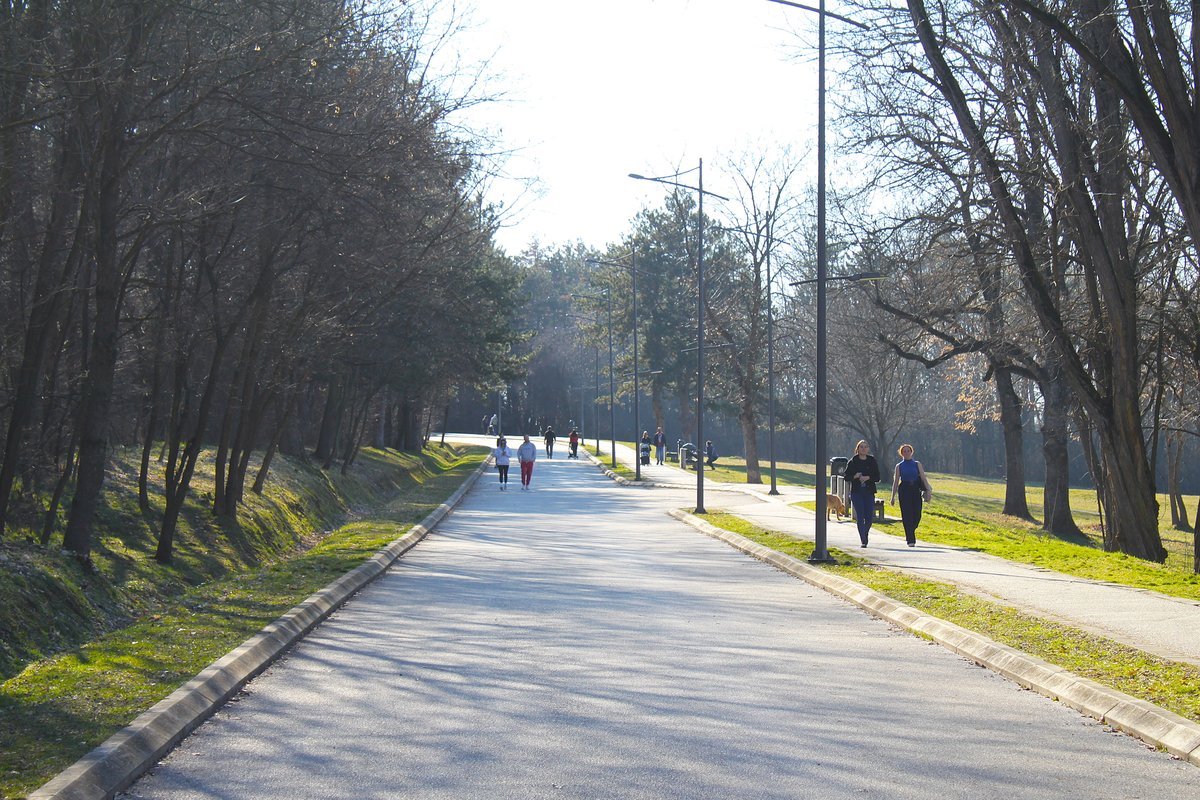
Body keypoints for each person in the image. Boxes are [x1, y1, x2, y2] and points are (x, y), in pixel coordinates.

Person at [890, 444, 933, 547]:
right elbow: (896, 482)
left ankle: (911, 529)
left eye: (908, 451)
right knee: (906, 514)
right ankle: (910, 539)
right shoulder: (899, 466)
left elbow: (923, 478)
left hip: (915, 489)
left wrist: (928, 490)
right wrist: (892, 497)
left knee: (917, 514)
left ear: (911, 452)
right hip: (904, 489)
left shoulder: (917, 464)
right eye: (904, 451)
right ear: (901, 453)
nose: (906, 453)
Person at [846, 439, 881, 547]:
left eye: (865, 447)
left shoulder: (872, 461)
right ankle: (863, 540)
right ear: (857, 449)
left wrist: (868, 477)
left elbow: (877, 477)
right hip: (857, 492)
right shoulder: (853, 461)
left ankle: (865, 533)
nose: (864, 449)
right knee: (860, 516)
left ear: (868, 449)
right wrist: (855, 476)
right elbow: (846, 477)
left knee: (869, 517)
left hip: (869, 491)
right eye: (861, 447)